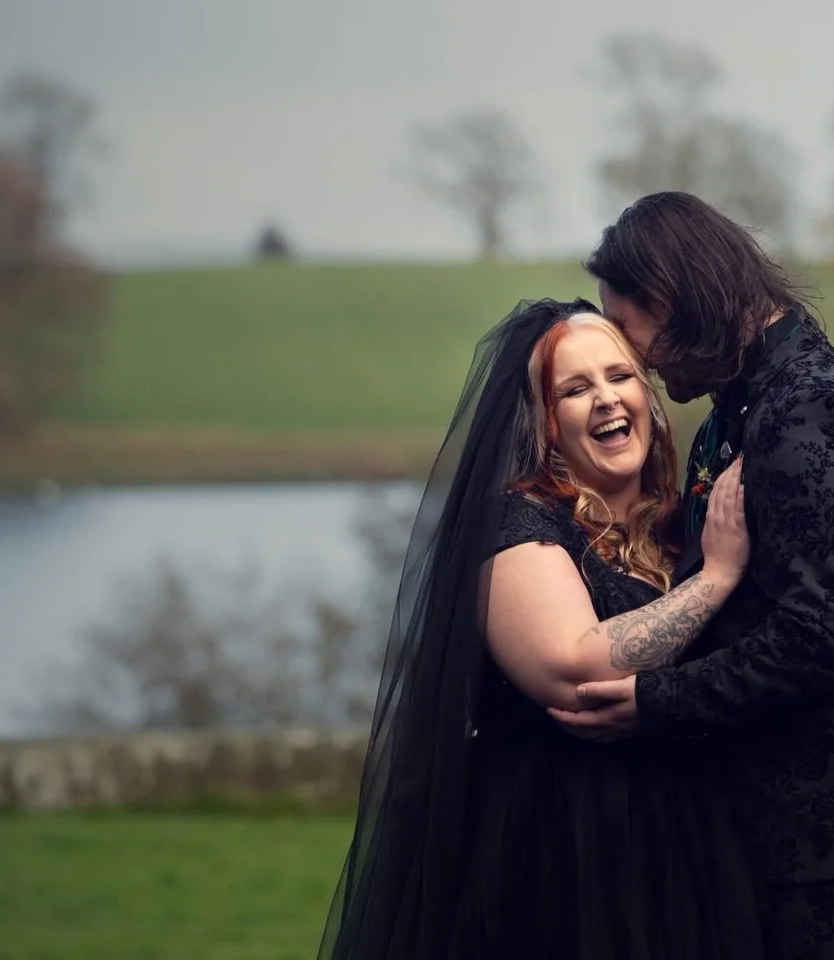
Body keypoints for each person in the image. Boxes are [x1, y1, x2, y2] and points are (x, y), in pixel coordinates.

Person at [550, 192, 834, 960]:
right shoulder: (743, 410)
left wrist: (655, 702)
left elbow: (825, 635)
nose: (641, 360)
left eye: (637, 332)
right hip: (795, 841)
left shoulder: (812, 407)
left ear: (677, 302)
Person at [317, 297, 766, 960]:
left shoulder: (676, 528)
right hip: (558, 856)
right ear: (545, 424)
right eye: (576, 389)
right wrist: (718, 580)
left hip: (683, 842)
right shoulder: (515, 527)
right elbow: (575, 665)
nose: (608, 401)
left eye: (620, 377)